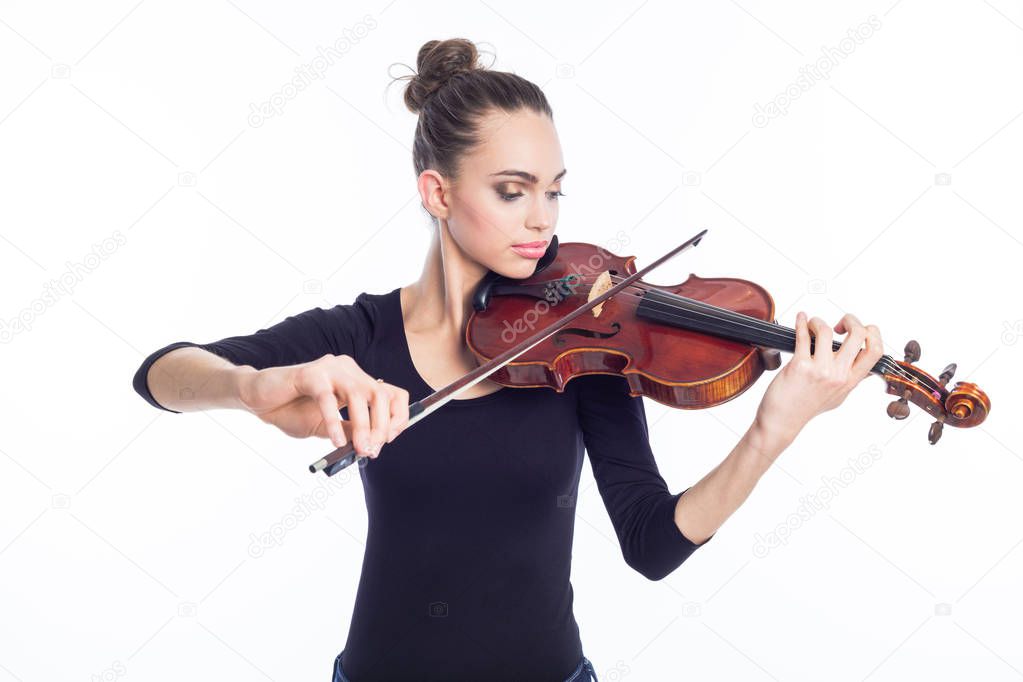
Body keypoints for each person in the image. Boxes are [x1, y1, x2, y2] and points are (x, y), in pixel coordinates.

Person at [131, 38, 884, 682]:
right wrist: (257, 382)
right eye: (512, 191)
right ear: (437, 192)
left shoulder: (588, 340)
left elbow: (652, 545)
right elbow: (162, 374)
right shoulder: (360, 334)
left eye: (553, 193)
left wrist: (771, 430)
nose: (542, 221)